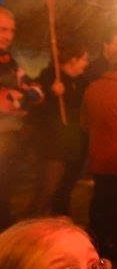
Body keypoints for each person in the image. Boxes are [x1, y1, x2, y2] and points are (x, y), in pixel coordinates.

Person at [80, 47, 117, 262]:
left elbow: (84, 122)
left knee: (101, 201)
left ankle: (97, 243)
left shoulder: (92, 88)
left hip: (99, 157)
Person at [28, 42, 90, 217]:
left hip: (72, 147)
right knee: (47, 190)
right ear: (72, 60)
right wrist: (51, 94)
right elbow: (35, 107)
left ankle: (58, 224)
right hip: (53, 148)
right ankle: (34, 228)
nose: (86, 63)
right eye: (84, 59)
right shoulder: (49, 78)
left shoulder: (81, 83)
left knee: (64, 190)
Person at [0, 7, 43, 228]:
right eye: (2, 29)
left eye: (11, 30)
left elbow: (32, 91)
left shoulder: (9, 61)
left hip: (10, 137)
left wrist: (23, 96)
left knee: (5, 190)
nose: (7, 35)